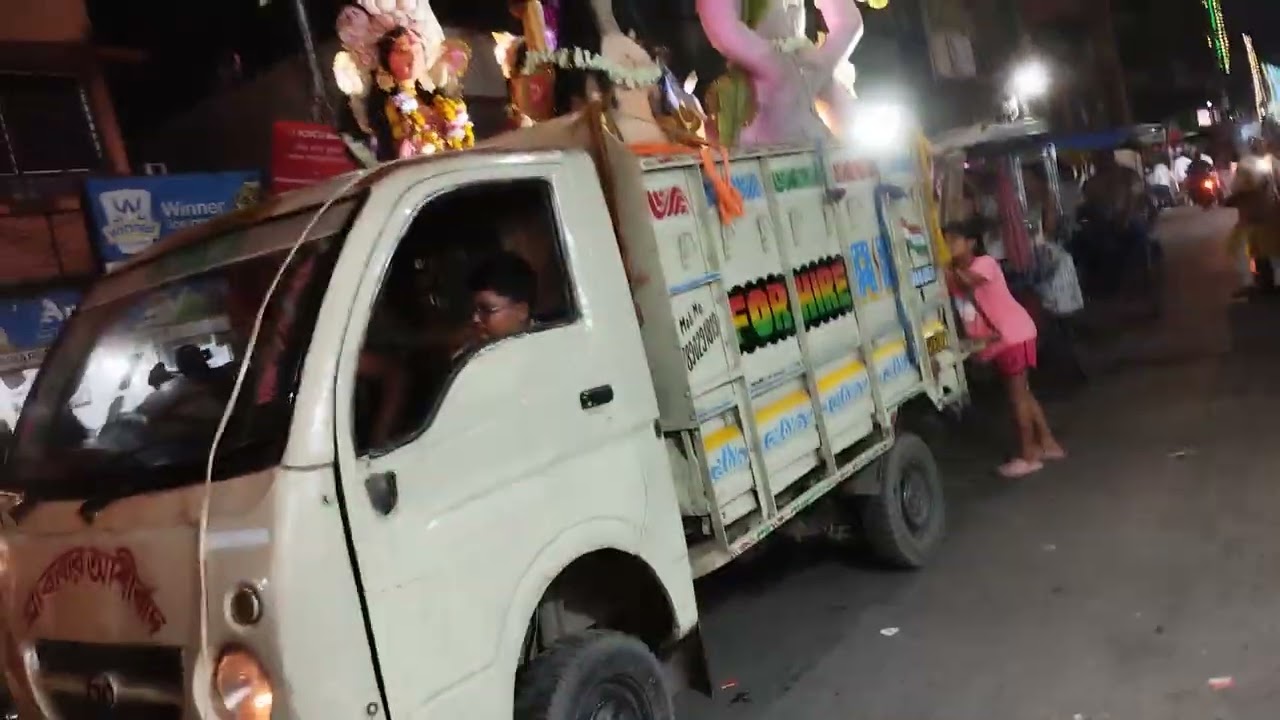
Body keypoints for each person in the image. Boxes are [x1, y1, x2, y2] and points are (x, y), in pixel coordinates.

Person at [944, 221, 1065, 478]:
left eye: (954, 241)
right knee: (1024, 393)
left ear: (971, 243)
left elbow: (967, 283)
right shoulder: (956, 272)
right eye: (946, 241)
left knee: (1017, 398)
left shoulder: (984, 264)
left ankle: (1028, 456)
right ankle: (1048, 443)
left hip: (1012, 337)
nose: (949, 246)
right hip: (1007, 339)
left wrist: (938, 265)